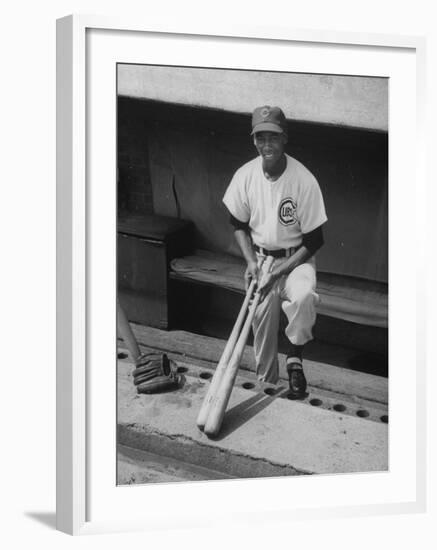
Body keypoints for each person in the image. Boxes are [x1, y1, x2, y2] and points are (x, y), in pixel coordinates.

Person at [222, 105, 328, 398]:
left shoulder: (303, 180)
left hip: (297, 259)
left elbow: (315, 240)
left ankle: (294, 358)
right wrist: (252, 263)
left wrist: (279, 270)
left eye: (273, 137)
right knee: (262, 324)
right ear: (254, 140)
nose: (266, 145)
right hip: (261, 260)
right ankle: (267, 385)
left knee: (304, 296)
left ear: (285, 139)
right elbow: (238, 225)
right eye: (260, 137)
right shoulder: (245, 175)